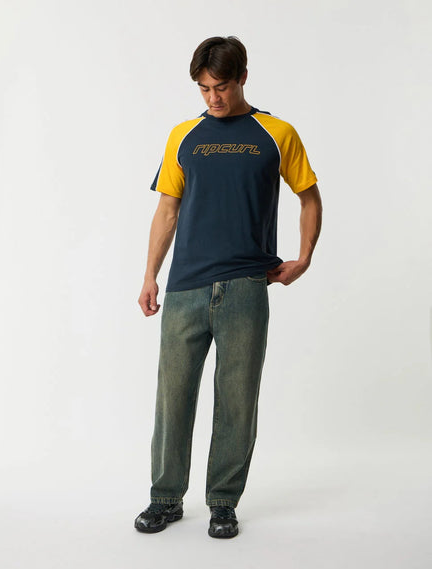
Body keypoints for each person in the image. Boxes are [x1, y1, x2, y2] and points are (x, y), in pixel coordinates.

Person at [134, 36, 322, 539]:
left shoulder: (276, 133)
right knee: (173, 398)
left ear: (242, 78)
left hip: (245, 287)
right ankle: (165, 498)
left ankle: (222, 502)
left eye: (221, 87)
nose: (212, 97)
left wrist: (304, 259)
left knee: (237, 400)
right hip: (185, 288)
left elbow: (309, 197)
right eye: (203, 89)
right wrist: (151, 274)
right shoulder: (183, 136)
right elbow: (167, 210)